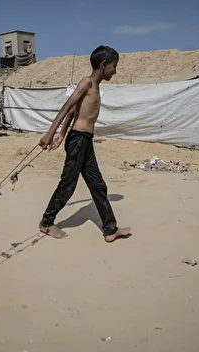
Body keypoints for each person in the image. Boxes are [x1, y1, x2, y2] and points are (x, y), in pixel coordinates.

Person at [38, 46, 132, 243]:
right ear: (104, 64)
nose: (115, 71)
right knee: (68, 185)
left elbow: (75, 112)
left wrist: (62, 133)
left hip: (86, 141)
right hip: (78, 140)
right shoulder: (87, 82)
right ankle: (46, 223)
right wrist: (51, 134)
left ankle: (110, 229)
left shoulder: (96, 87)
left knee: (98, 185)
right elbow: (68, 106)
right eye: (114, 66)